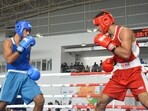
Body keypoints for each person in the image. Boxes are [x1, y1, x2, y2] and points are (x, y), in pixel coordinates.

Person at [93, 10, 148, 111]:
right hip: (119, 73)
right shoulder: (109, 36)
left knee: (146, 101)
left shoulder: (124, 31)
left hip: (134, 71)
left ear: (105, 21)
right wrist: (113, 61)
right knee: (100, 103)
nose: (97, 29)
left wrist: (109, 45)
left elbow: (126, 54)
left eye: (98, 25)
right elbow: (119, 54)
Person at [0, 20, 45, 111]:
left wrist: (31, 69)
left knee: (40, 100)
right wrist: (21, 48)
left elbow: (27, 61)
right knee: (2, 105)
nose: (28, 33)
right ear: (19, 29)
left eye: (29, 31)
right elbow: (9, 60)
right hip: (13, 75)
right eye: (26, 30)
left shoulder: (29, 45)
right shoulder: (8, 42)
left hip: (25, 76)